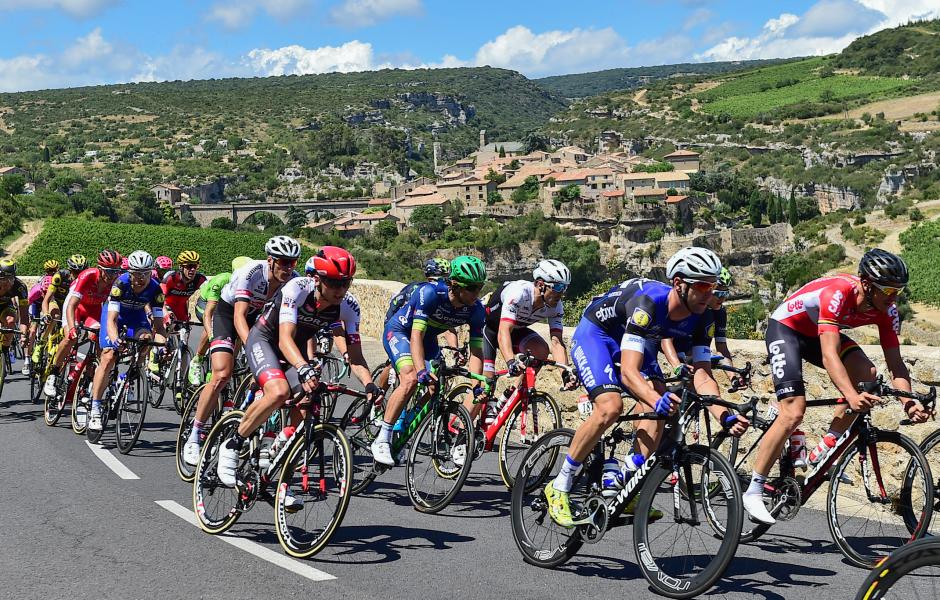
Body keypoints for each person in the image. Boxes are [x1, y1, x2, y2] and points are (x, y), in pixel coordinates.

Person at [545, 247, 749, 527]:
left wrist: (723, 415)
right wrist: (655, 399)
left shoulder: (702, 317)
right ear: (679, 283)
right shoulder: (649, 303)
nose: (708, 293)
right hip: (598, 334)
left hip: (639, 340)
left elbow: (703, 375)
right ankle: (560, 484)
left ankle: (626, 479)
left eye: (712, 286)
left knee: (660, 411)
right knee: (610, 407)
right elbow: (629, 373)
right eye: (702, 285)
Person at [742, 249, 930, 525]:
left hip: (816, 334)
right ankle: (754, 489)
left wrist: (908, 401)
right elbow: (830, 355)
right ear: (867, 283)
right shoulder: (838, 293)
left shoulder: (886, 311)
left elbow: (896, 363)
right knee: (793, 412)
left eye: (898, 292)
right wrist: (851, 396)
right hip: (787, 330)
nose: (893, 298)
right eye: (888, 290)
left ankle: (828, 444)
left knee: (868, 372)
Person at [216, 247, 382, 491]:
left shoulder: (348, 306)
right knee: (279, 391)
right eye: (334, 283)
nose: (340, 290)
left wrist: (370, 385)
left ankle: (282, 475)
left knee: (307, 402)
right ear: (317, 279)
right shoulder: (296, 289)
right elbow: (284, 339)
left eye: (346, 283)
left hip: (295, 349)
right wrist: (303, 367)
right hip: (265, 339)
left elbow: (355, 356)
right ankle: (232, 443)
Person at [182, 237, 300, 466]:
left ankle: (252, 414)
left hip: (261, 320)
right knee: (222, 374)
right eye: (284, 262)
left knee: (276, 372)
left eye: (293, 263)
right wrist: (253, 347)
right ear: (271, 260)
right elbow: (238, 316)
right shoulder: (252, 272)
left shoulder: (293, 282)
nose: (288, 268)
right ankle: (195, 435)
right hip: (229, 315)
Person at [371, 255, 488, 467]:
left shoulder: (476, 310)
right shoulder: (430, 294)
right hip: (401, 332)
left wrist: (476, 384)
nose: (476, 293)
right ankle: (383, 437)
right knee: (410, 379)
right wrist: (420, 370)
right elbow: (415, 336)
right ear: (455, 284)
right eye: (471, 288)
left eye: (480, 287)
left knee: (437, 388)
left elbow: (477, 351)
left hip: (429, 339)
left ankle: (405, 424)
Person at [87, 251, 166, 431]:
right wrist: (115, 340)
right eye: (137, 273)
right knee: (108, 356)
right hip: (117, 315)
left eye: (146, 273)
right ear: (130, 272)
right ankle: (96, 408)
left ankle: (131, 374)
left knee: (146, 339)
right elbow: (112, 320)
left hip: (136, 317)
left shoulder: (155, 289)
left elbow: (159, 328)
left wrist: (161, 347)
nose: (141, 277)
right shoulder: (120, 283)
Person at [483, 259, 579, 396]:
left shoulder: (555, 306)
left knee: (541, 350)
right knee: (486, 386)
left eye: (565, 288)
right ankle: (467, 415)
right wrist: (511, 362)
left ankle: (512, 394)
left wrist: (565, 372)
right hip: (491, 330)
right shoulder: (520, 293)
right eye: (557, 287)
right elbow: (503, 331)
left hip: (516, 331)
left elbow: (557, 342)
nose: (561, 293)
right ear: (540, 284)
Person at [43, 250, 122, 398]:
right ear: (100, 268)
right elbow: (71, 305)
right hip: (76, 306)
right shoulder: (88, 275)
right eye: (109, 271)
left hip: (94, 309)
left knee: (100, 341)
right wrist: (72, 327)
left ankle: (88, 379)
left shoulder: (116, 282)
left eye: (116, 271)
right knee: (70, 338)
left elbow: (112, 309)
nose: (112, 276)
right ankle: (52, 375)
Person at [189, 256, 252, 385]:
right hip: (206, 304)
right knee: (213, 324)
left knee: (238, 331)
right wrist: (212, 336)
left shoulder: (251, 284)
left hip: (226, 307)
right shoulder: (223, 281)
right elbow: (208, 313)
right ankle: (197, 359)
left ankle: (229, 362)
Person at [661, 266, 735, 372]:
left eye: (725, 293)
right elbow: (666, 340)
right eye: (718, 294)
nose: (722, 299)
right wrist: (678, 366)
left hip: (689, 350)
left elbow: (721, 346)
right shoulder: (689, 308)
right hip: (664, 345)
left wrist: (733, 377)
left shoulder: (717, 312)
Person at [149, 250, 206, 373]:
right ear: (181, 267)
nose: (192, 270)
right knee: (164, 324)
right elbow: (160, 299)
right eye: (189, 266)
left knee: (183, 341)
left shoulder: (200, 279)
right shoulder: (171, 278)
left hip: (181, 310)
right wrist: (164, 313)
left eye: (195, 266)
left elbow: (209, 295)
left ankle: (181, 378)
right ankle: (154, 353)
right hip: (166, 305)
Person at [24, 259, 61, 375]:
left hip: (50, 305)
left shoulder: (56, 285)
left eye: (54, 270)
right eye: (50, 270)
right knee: (33, 330)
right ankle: (27, 359)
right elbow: (27, 303)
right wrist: (28, 319)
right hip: (36, 304)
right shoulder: (37, 290)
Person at [0, 258, 29, 370]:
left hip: (5, 307)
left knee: (11, 321)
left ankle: (5, 349)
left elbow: (24, 316)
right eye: (4, 279)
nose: (8, 283)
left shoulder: (20, 287)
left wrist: (23, 335)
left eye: (11, 279)